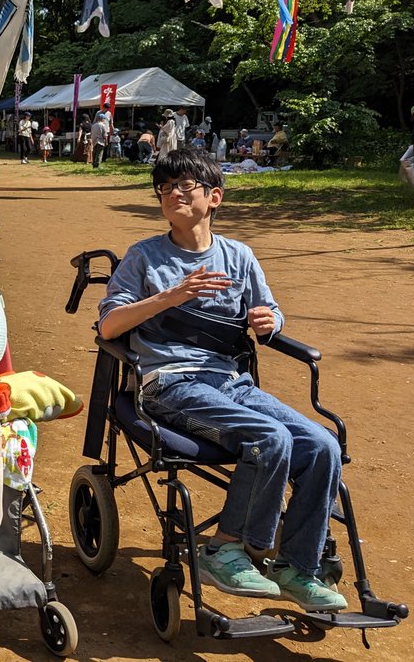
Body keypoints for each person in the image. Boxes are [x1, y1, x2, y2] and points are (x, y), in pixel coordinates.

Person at [98, 149, 347, 612]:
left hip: (230, 383)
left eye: (183, 185)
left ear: (214, 197)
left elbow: (271, 311)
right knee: (269, 437)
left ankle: (295, 566)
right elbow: (109, 327)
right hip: (168, 383)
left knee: (323, 446)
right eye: (164, 187)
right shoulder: (144, 257)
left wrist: (267, 321)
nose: (171, 193)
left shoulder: (239, 256)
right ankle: (223, 549)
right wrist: (171, 296)